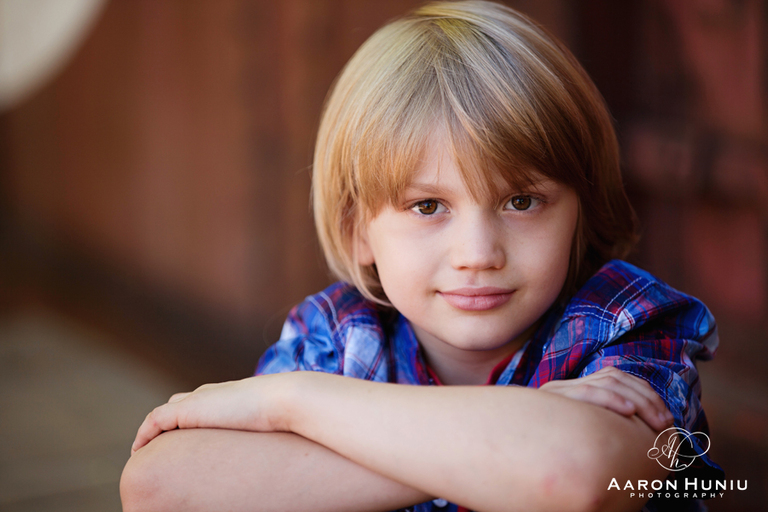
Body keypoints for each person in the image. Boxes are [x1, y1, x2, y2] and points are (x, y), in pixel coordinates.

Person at [120, 2, 721, 511]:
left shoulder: (624, 325)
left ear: (580, 212)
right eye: (428, 207)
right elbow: (157, 487)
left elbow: (569, 475)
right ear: (358, 231)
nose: (479, 254)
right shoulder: (341, 335)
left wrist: (293, 402)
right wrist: (512, 432)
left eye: (521, 200)